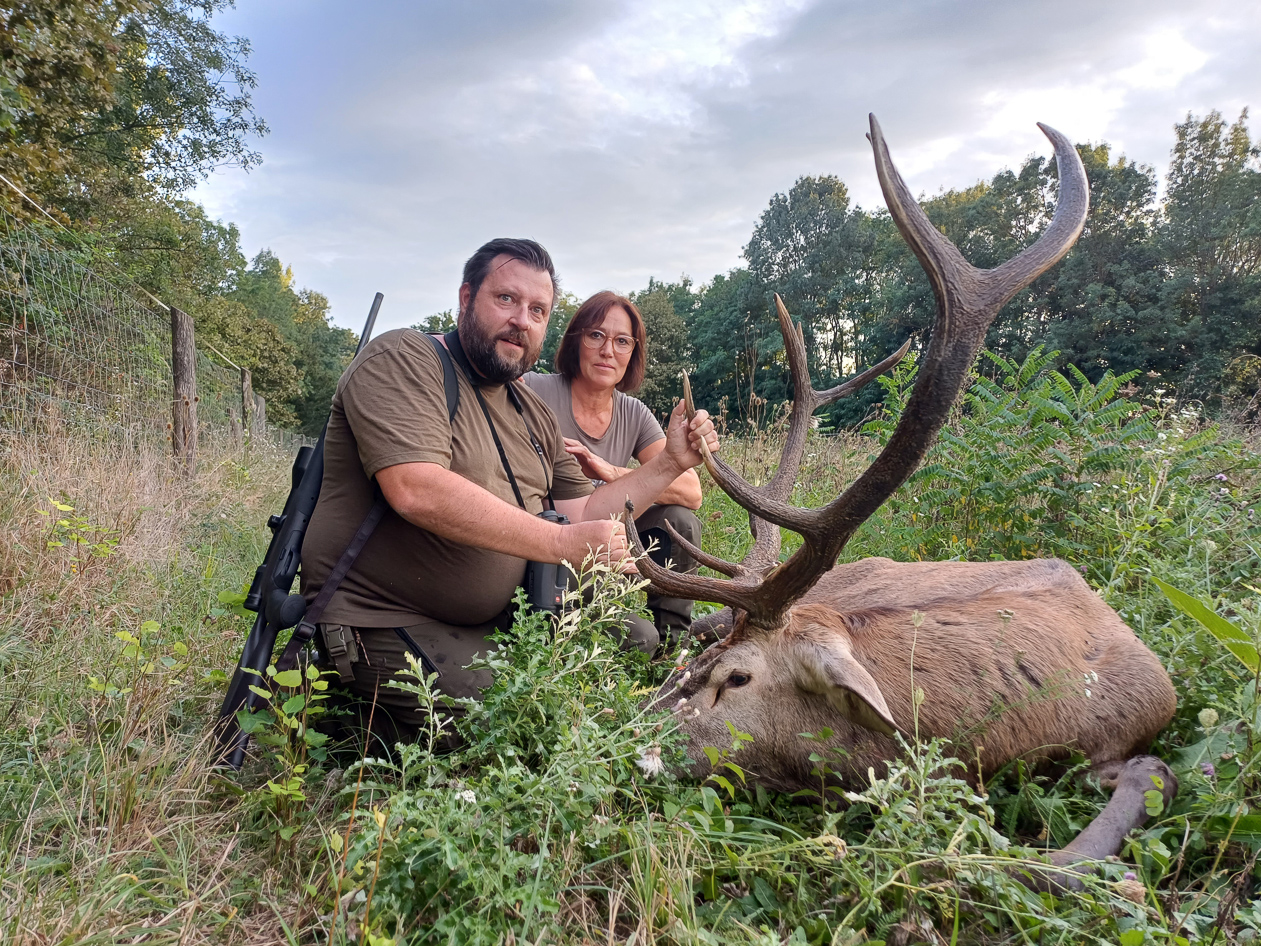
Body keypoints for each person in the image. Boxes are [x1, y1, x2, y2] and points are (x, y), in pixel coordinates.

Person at [300, 239, 718, 750]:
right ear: (466, 298)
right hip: (386, 615)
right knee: (517, 725)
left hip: (508, 611)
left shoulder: (529, 409)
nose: (522, 320)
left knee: (634, 643)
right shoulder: (405, 357)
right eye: (506, 299)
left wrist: (670, 463)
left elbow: (585, 509)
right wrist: (561, 544)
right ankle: (348, 720)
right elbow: (415, 487)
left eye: (537, 310)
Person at [522, 291, 703, 652]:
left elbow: (691, 493)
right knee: (639, 641)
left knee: (680, 520)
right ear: (576, 341)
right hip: (545, 549)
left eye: (622, 341)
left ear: (633, 352)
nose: (608, 350)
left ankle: (674, 651)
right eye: (596, 335)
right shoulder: (532, 389)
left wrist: (610, 471)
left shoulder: (634, 413)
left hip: (608, 548)